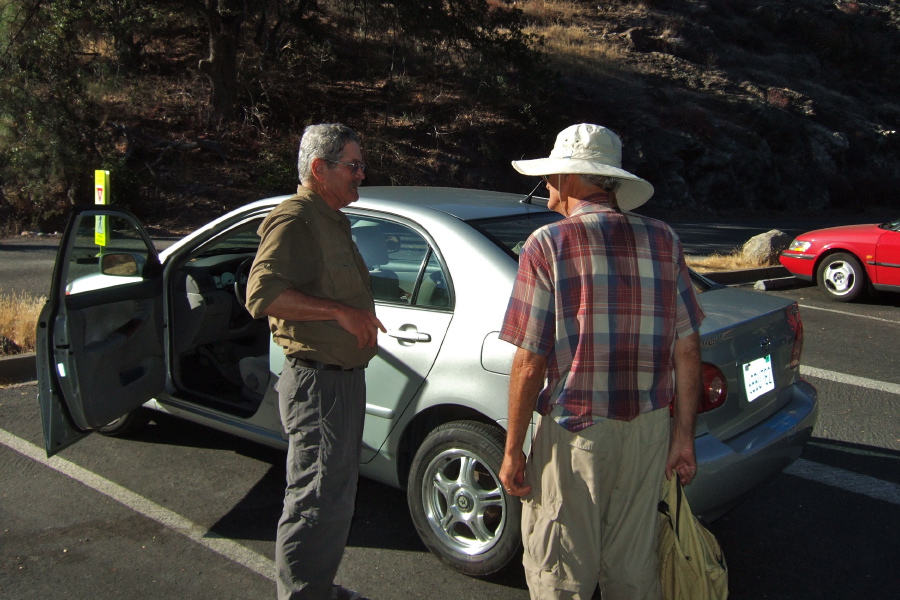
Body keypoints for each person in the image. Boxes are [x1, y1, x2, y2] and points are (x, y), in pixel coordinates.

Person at [498, 123, 706, 600]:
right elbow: (688, 348)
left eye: (551, 176)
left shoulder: (546, 245)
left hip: (576, 435)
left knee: (561, 573)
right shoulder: (664, 240)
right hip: (649, 431)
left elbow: (530, 360)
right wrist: (683, 438)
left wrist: (513, 450)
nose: (546, 186)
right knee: (634, 572)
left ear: (572, 179)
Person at [245, 123, 385, 600]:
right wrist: (340, 313)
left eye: (361, 165)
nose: (361, 174)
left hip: (341, 383)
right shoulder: (296, 219)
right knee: (314, 498)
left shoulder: (330, 218)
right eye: (353, 165)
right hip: (317, 385)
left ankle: (316, 588)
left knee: (333, 498)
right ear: (318, 168)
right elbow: (261, 294)